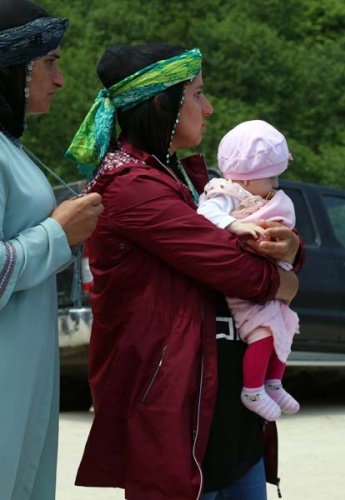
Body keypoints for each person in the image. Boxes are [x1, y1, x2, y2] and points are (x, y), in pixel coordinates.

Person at [66, 43, 303, 500]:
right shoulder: (132, 186)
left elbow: (266, 231)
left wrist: (292, 249)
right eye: (197, 95)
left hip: (226, 410)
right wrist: (284, 280)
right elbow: (235, 267)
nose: (208, 108)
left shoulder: (187, 175)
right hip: (176, 411)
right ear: (162, 104)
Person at [0, 1, 103, 499]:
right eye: (49, 62)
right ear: (12, 65)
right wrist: (58, 233)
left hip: (23, 378)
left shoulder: (9, 147)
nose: (59, 80)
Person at [197, 120, 300, 422]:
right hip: (245, 292)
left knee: (285, 326)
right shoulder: (225, 192)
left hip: (268, 286)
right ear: (247, 179)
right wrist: (236, 225)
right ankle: (253, 389)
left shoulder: (257, 194)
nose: (276, 185)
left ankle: (273, 381)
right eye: (271, 178)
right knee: (263, 334)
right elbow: (206, 213)